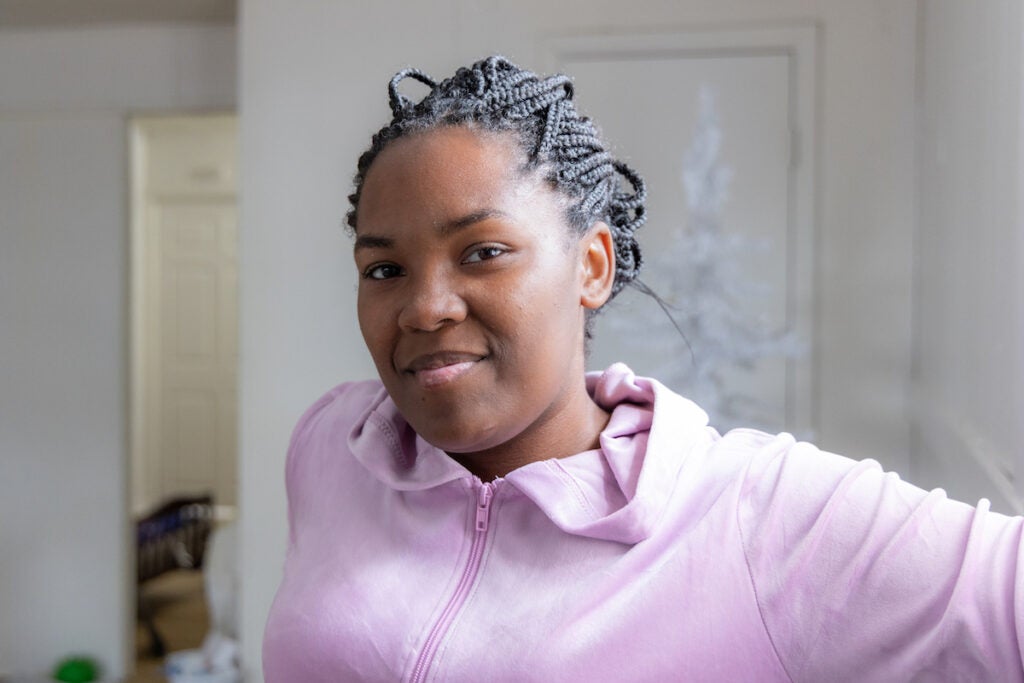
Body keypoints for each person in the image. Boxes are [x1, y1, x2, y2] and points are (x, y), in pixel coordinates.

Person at [262, 56, 1024, 682]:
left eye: (483, 252)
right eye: (385, 268)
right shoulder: (335, 442)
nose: (424, 307)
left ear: (591, 265)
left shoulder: (750, 516)